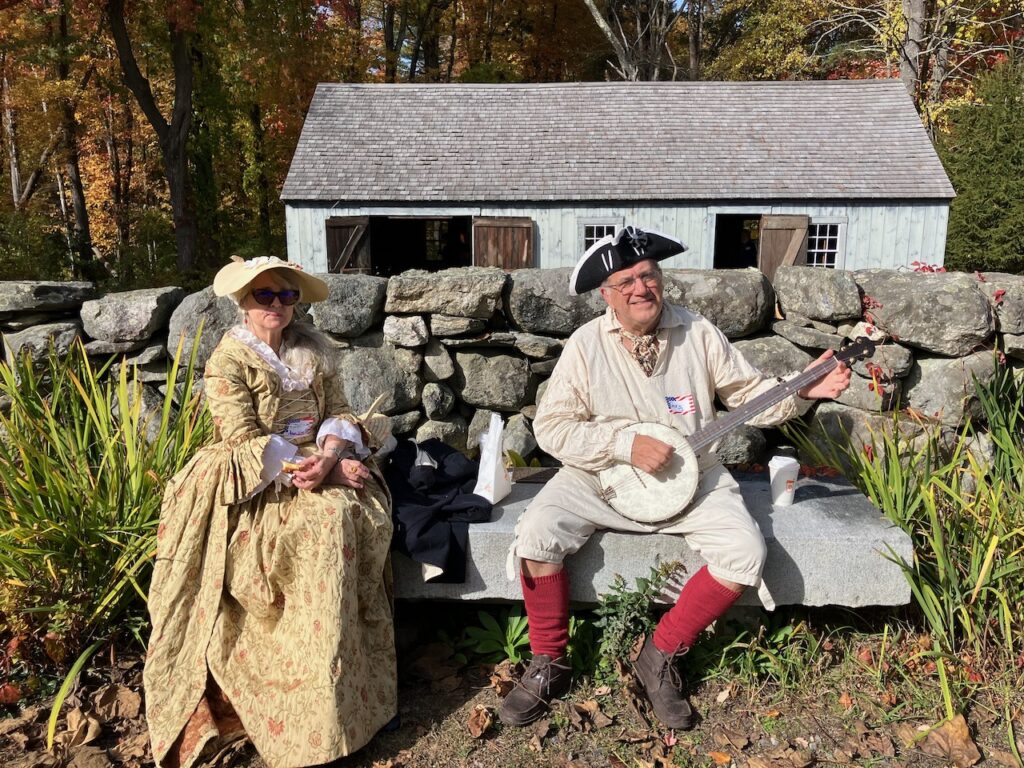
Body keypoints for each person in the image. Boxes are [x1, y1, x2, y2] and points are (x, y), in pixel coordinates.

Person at [498, 227, 850, 729]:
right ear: (607, 296)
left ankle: (659, 655)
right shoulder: (585, 345)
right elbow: (552, 428)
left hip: (695, 475)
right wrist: (624, 444)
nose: (641, 288)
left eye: (648, 275)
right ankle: (549, 661)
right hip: (599, 477)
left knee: (745, 551)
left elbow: (750, 395)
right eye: (626, 282)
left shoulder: (698, 333)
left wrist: (808, 391)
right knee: (536, 535)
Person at [144, 256, 397, 768]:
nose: (278, 305)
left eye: (286, 295)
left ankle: (352, 702)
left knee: (356, 514)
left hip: (318, 465)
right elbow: (242, 439)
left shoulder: (313, 351)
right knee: (321, 529)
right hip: (257, 480)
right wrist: (315, 467)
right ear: (244, 303)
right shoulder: (229, 360)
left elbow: (340, 413)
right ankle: (287, 702)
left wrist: (332, 458)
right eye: (265, 296)